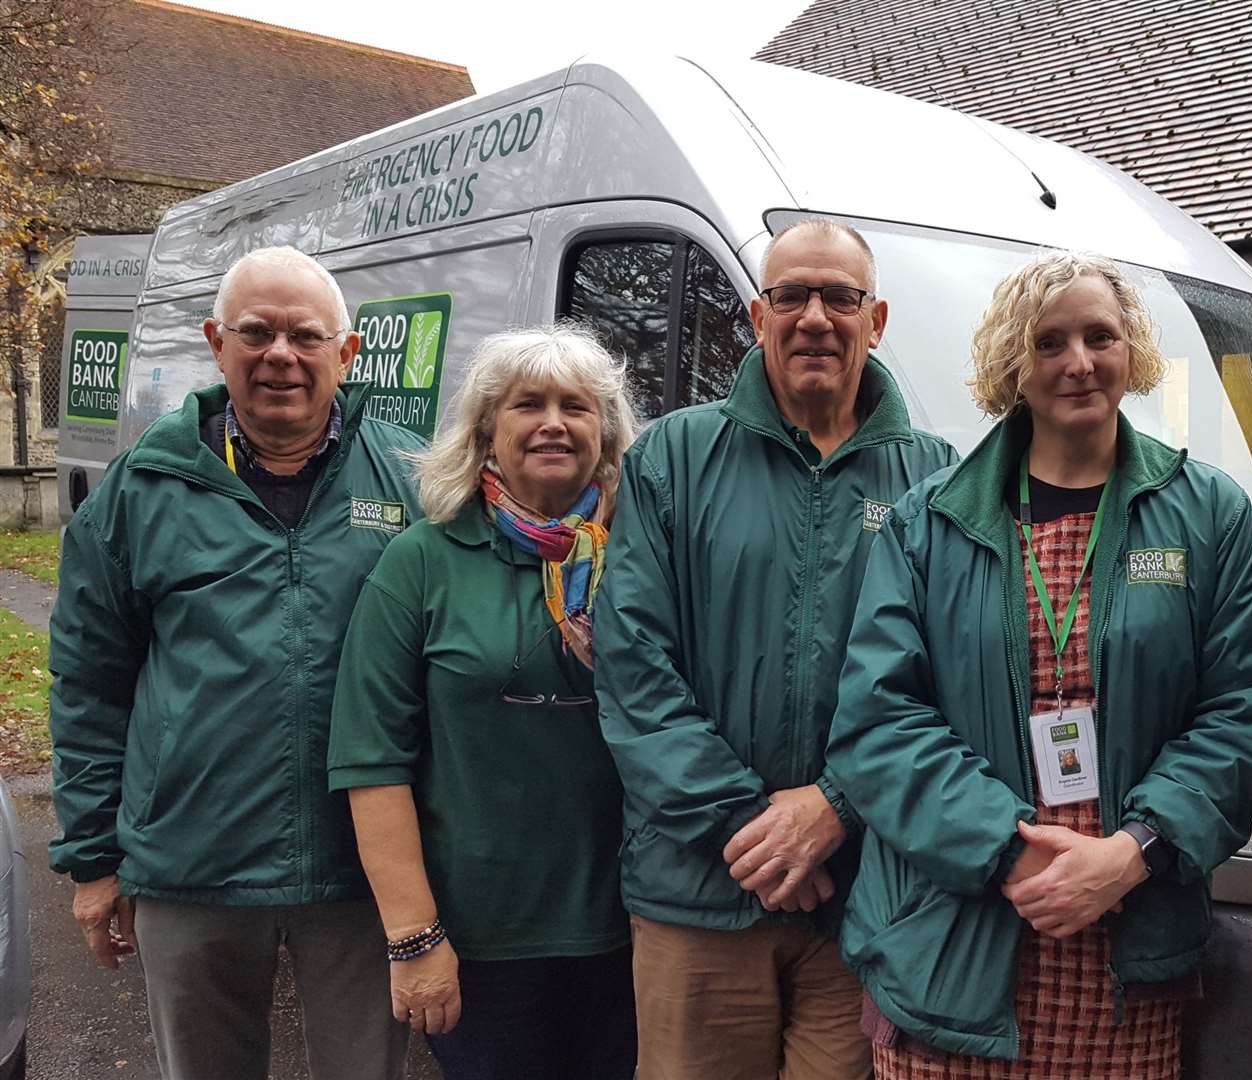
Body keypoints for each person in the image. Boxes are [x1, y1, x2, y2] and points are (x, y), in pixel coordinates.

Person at [826, 251, 1252, 1076]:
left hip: (1129, 933)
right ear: (1012, 360)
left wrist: (1134, 850)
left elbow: (1241, 706)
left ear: (1131, 349)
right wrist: (1011, 850)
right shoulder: (926, 523)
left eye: (1100, 336)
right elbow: (878, 720)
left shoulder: (1208, 512)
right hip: (956, 937)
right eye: (1049, 342)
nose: (1079, 362)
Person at [47, 246, 421, 1080]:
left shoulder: (413, 480)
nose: (280, 355)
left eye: (304, 336)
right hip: (192, 861)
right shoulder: (142, 489)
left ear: (347, 353)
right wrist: (92, 860)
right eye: (256, 332)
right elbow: (88, 682)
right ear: (217, 343)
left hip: (362, 868)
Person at [594, 217, 956, 1079]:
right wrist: (748, 824)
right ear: (757, 318)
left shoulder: (936, 479)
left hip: (860, 901)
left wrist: (836, 808)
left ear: (878, 321)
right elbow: (633, 661)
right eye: (791, 294)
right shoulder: (674, 456)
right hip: (698, 892)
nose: (816, 317)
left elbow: (950, 686)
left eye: (841, 296)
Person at [328, 325, 639, 1078]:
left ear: (608, 435)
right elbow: (372, 761)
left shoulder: (644, 556)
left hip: (634, 929)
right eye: (527, 404)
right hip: (480, 941)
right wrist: (413, 935)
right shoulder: (423, 562)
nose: (554, 423)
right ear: (485, 432)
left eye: (577, 406)